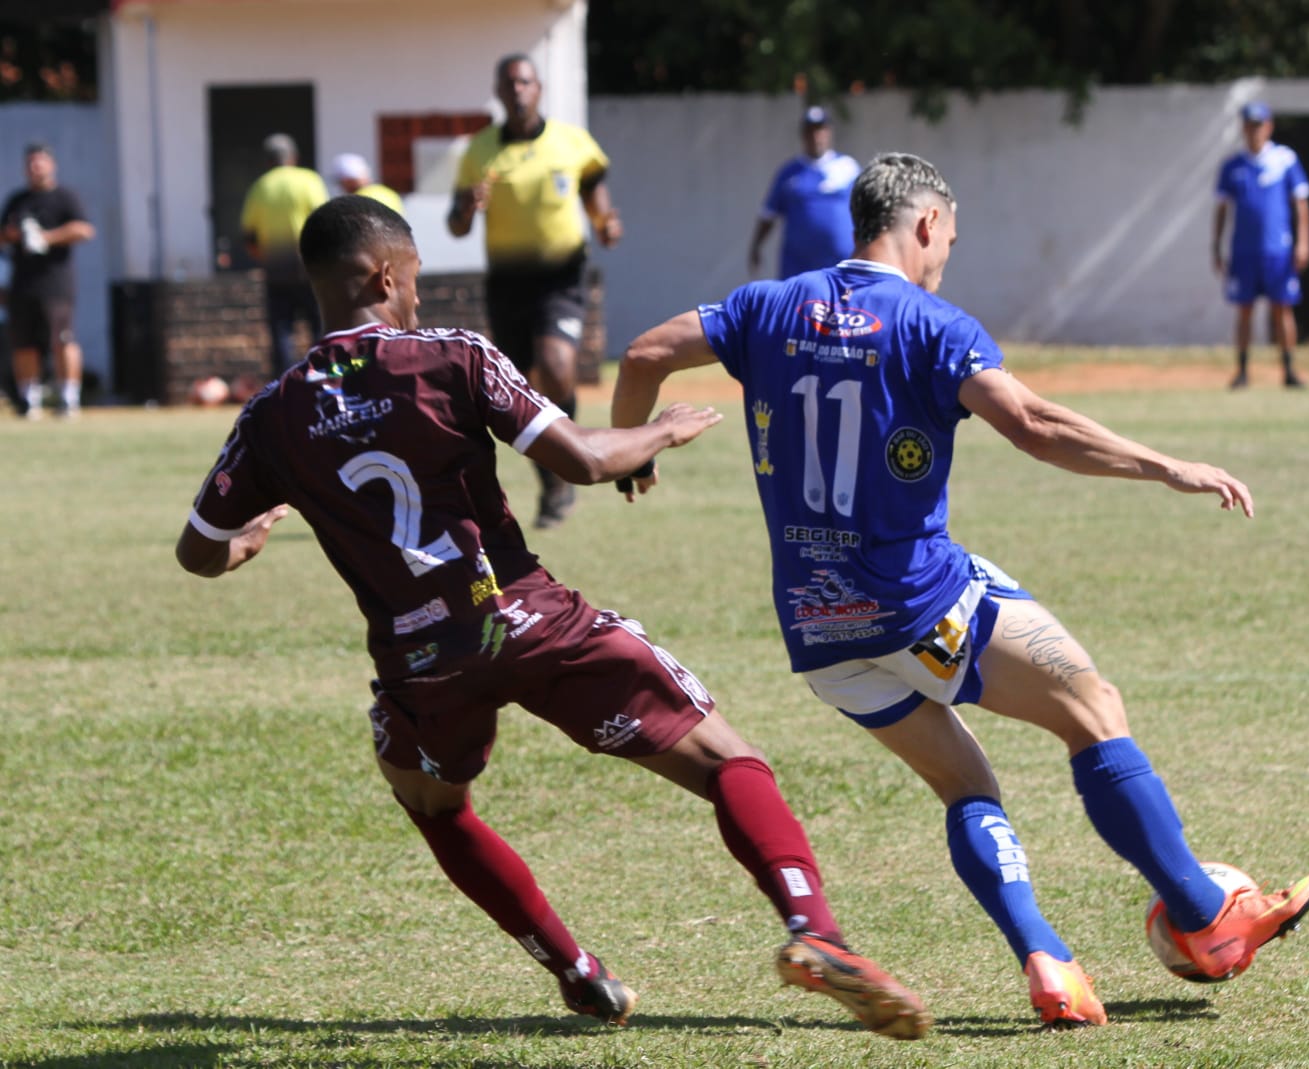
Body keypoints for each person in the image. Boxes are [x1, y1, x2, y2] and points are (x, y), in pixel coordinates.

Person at [175, 194, 930, 1041]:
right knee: (726, 758)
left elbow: (198, 549)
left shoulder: (272, 412)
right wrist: (660, 430)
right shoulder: (449, 355)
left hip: (422, 663)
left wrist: (245, 547)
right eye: (415, 276)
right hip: (526, 618)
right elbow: (580, 456)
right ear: (386, 273)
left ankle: (574, 970)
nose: (418, 294)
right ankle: (813, 932)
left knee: (436, 805)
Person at [612, 152, 1309, 1028]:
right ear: (921, 225)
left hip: (817, 632)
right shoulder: (930, 322)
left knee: (966, 788)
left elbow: (645, 352)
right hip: (918, 602)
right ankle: (1205, 915)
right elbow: (1032, 424)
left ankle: (1049, 963)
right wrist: (1166, 466)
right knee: (1092, 708)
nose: (947, 250)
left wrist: (632, 452)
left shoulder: (764, 305)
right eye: (947, 235)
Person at [448, 53, 623, 529]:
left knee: (557, 365)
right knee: (520, 387)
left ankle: (570, 460)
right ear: (500, 92)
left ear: (538, 88)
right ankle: (552, 483)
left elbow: (595, 193)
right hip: (507, 283)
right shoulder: (479, 151)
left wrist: (605, 223)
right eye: (510, 84)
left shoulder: (571, 142)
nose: (519, 90)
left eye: (526, 82)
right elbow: (457, 226)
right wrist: (466, 207)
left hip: (561, 276)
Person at [1213, 102, 1309, 389]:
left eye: (1260, 125)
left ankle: (1289, 370)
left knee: (1283, 308)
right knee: (1244, 310)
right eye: (1250, 125)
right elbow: (1222, 209)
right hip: (1243, 250)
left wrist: (1303, 242)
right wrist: (1216, 246)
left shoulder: (1285, 160)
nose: (1254, 131)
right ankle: (1242, 371)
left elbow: (1301, 204)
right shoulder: (1233, 166)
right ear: (1243, 128)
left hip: (1278, 250)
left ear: (1269, 126)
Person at [0, 142, 95, 419]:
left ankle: (69, 397)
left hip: (56, 283)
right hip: (22, 282)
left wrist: (47, 237)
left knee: (62, 339)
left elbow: (84, 229)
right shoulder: (17, 200)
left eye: (40, 161)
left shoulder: (65, 197)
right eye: (30, 162)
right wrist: (14, 235)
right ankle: (30, 399)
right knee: (23, 342)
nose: (35, 167)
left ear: (51, 165)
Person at [241, 133, 329, 378]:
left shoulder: (260, 187)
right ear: (294, 157)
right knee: (320, 326)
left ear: (268, 161)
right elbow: (325, 221)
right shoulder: (309, 180)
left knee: (281, 331)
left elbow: (249, 237)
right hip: (311, 268)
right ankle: (324, 376)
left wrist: (266, 258)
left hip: (276, 271)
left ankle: (285, 383)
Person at [748, 106, 860, 280]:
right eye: (810, 131)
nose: (816, 137)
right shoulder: (789, 173)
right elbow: (768, 214)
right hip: (799, 267)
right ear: (803, 135)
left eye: (820, 130)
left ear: (828, 132)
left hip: (840, 266)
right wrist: (756, 247)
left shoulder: (848, 167)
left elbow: (868, 210)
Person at [332, 153, 405, 215]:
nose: (341, 187)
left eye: (341, 182)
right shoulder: (388, 193)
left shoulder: (356, 201)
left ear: (347, 180)